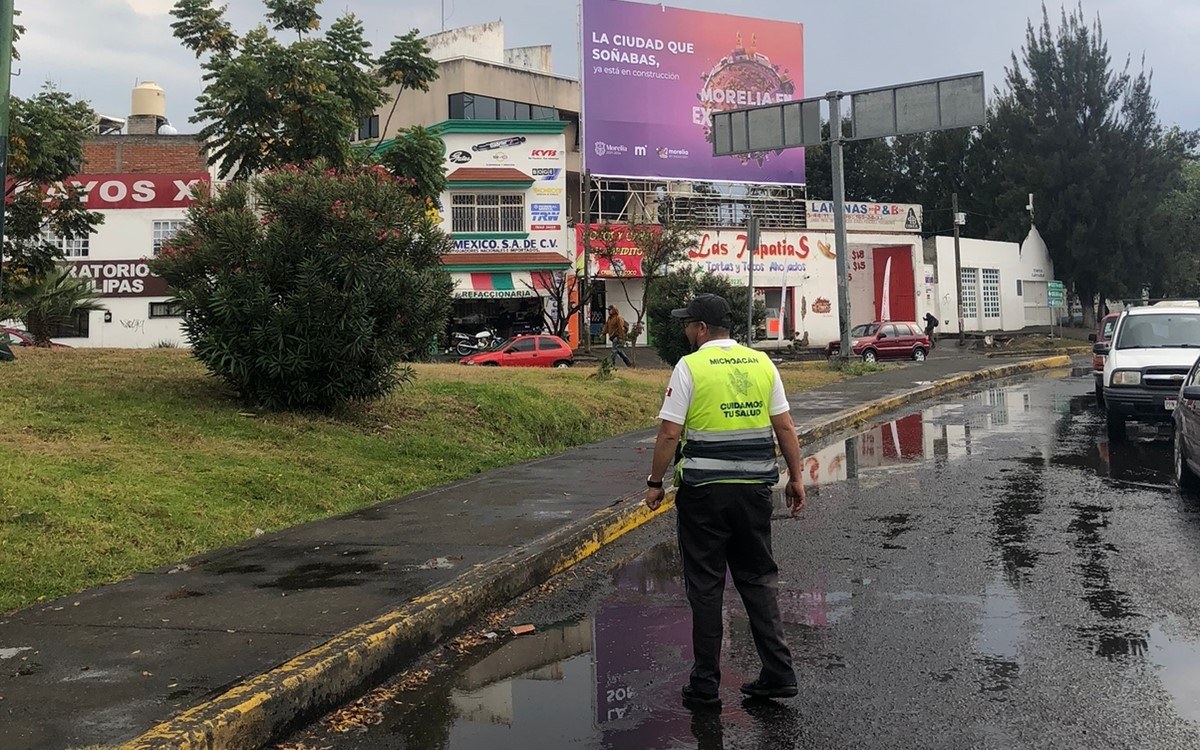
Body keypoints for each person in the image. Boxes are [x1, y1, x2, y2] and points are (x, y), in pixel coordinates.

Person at [644, 293, 806, 710]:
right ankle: (779, 672)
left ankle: (705, 684)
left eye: (687, 323)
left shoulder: (690, 366)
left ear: (701, 329)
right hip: (753, 493)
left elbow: (668, 434)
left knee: (706, 586)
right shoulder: (761, 363)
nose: (684, 330)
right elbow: (785, 426)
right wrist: (797, 478)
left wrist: (655, 481)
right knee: (757, 580)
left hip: (704, 497)